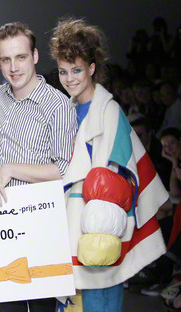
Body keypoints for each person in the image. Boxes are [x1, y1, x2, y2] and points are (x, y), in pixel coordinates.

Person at [49, 18, 169, 312]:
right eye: (63, 71)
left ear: (91, 68)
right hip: (68, 224)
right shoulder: (66, 110)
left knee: (99, 301)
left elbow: (121, 178)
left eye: (77, 70)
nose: (70, 79)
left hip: (98, 226)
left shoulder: (110, 111)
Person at [0, 22, 76, 312]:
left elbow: (64, 170)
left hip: (40, 229)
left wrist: (10, 169)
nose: (14, 67)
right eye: (6, 59)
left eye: (21, 57)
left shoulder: (58, 105)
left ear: (34, 56)